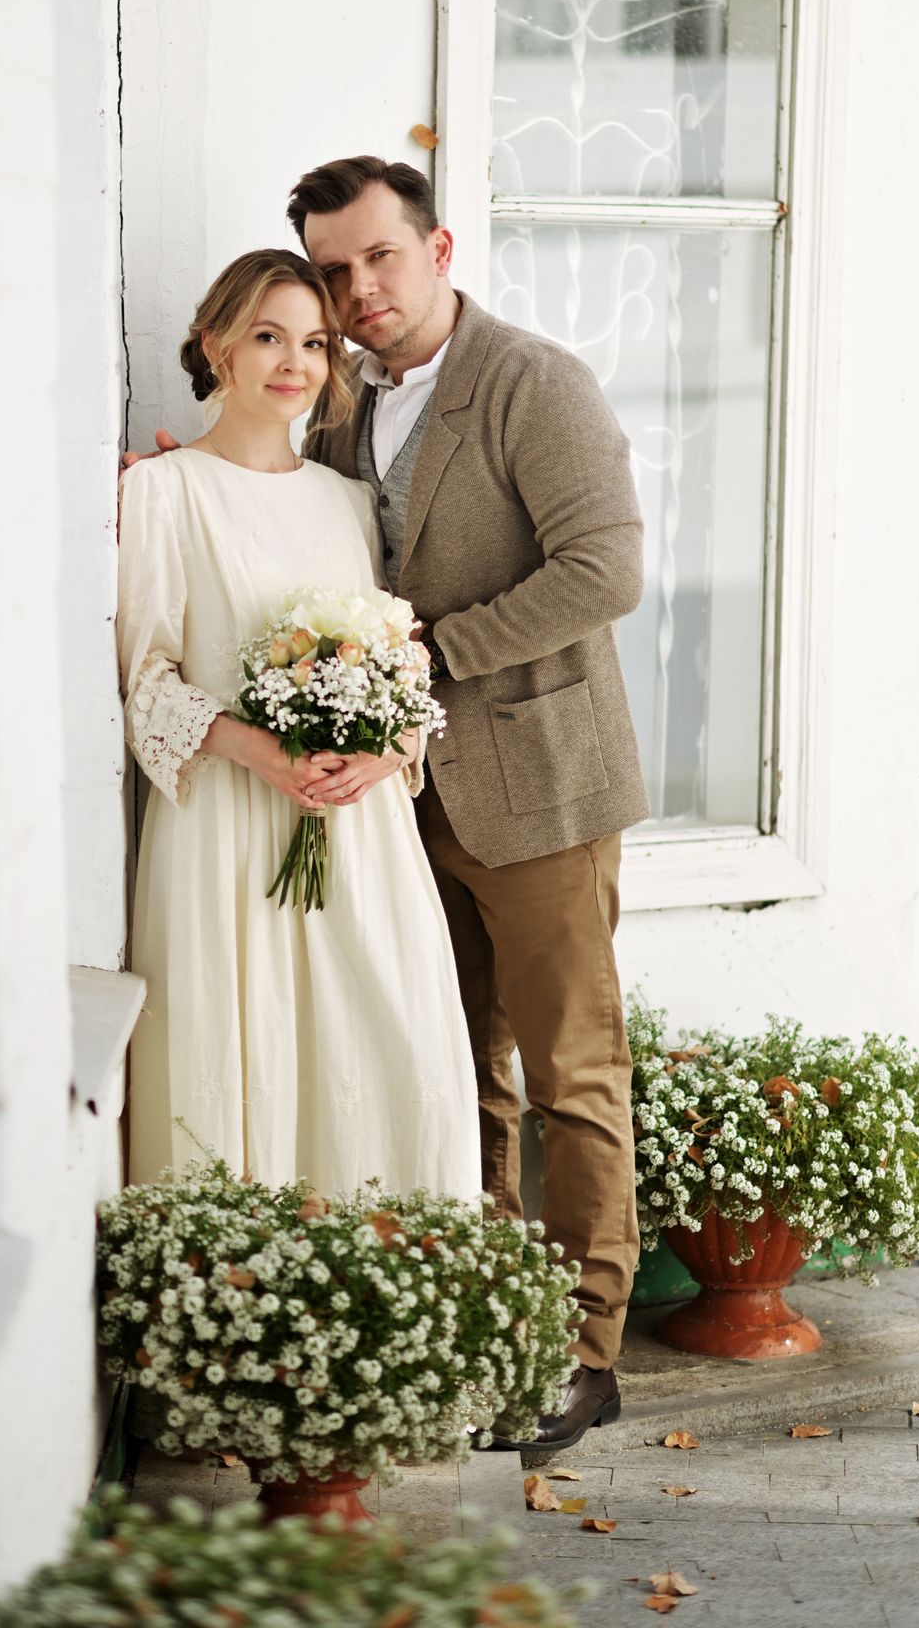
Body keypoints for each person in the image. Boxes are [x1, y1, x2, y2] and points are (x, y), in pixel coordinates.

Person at [287, 155, 649, 1452]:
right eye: (334, 271)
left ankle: (586, 1354)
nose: (359, 290)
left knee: (573, 1075)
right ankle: (499, 1323)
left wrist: (429, 655)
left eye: (380, 257)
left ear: (438, 251)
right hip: (406, 803)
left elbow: (605, 570)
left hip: (541, 789)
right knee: (458, 1070)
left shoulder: (533, 382)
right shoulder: (342, 405)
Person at [115, 246, 480, 1201]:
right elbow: (146, 680)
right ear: (217, 348)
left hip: (358, 830)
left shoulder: (351, 503)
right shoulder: (162, 491)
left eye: (315, 343)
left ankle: (396, 1260)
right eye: (268, 337)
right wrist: (260, 751)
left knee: (393, 1050)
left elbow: (398, 660)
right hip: (227, 828)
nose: (295, 363)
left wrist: (388, 749)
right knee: (246, 1051)